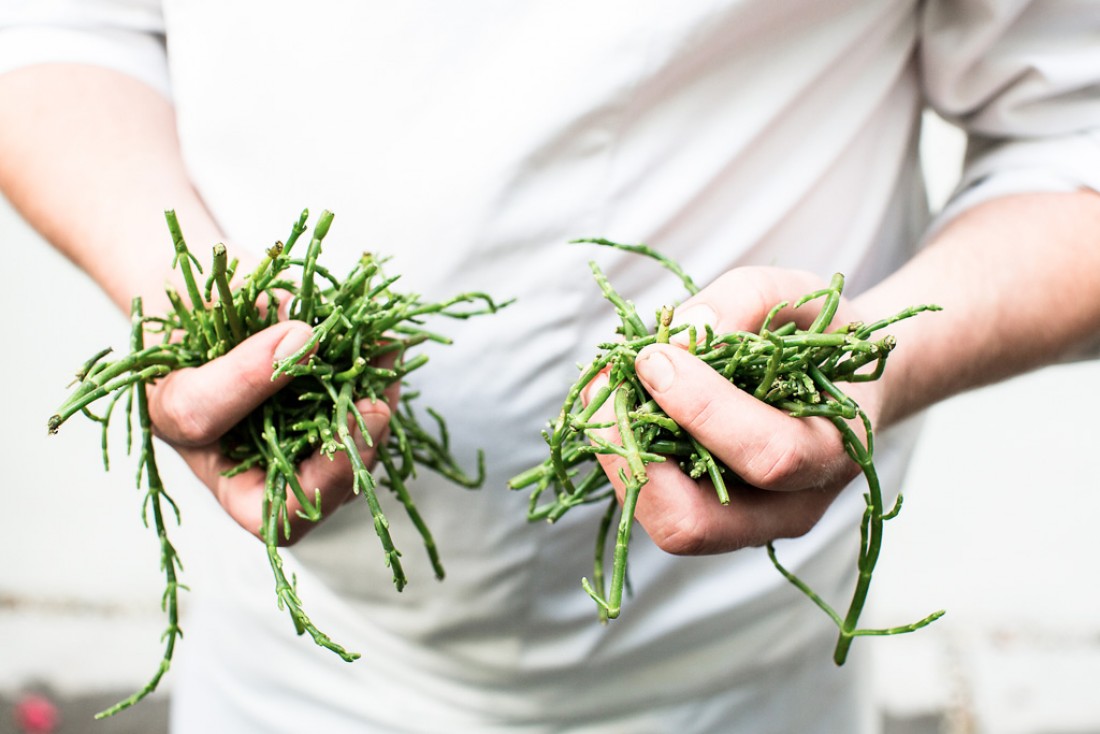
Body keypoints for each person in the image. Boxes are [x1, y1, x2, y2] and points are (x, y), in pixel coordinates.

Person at [1, 2, 1098, 732]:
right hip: (277, 648)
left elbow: (1074, 139)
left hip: (734, 684)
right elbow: (63, 29)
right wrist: (174, 286)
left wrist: (873, 359)